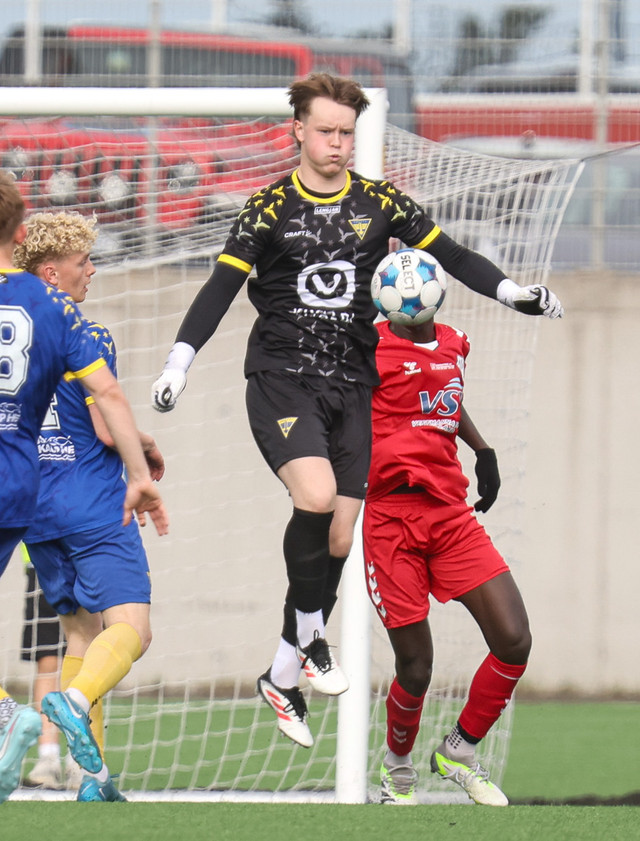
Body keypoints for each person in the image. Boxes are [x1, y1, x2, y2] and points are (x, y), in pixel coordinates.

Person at [150, 73, 559, 748]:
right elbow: (220, 286)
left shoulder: (380, 202)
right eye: (325, 131)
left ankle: (282, 674)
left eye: (346, 133)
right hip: (283, 380)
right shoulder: (268, 207)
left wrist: (512, 292)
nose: (337, 144)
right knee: (314, 498)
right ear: (298, 131)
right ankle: (312, 636)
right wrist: (178, 362)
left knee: (339, 538)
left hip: (352, 386)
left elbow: (452, 255)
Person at [0, 172, 169, 805]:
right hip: (92, 501)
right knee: (132, 629)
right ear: (50, 271)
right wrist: (141, 463)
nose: (91, 270)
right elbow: (103, 417)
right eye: (82, 261)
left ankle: (92, 778)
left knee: (79, 632)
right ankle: (69, 701)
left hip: (35, 510)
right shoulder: (79, 328)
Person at [363, 265, 530, 806]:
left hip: (450, 514)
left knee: (514, 639)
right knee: (416, 666)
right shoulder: (366, 345)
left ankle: (458, 750)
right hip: (391, 519)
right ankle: (397, 767)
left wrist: (482, 449)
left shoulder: (456, 342)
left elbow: (443, 401)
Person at [19, 544, 84, 791]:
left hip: (86, 558)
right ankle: (48, 759)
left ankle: (80, 758)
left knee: (83, 659)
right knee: (48, 660)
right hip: (42, 558)